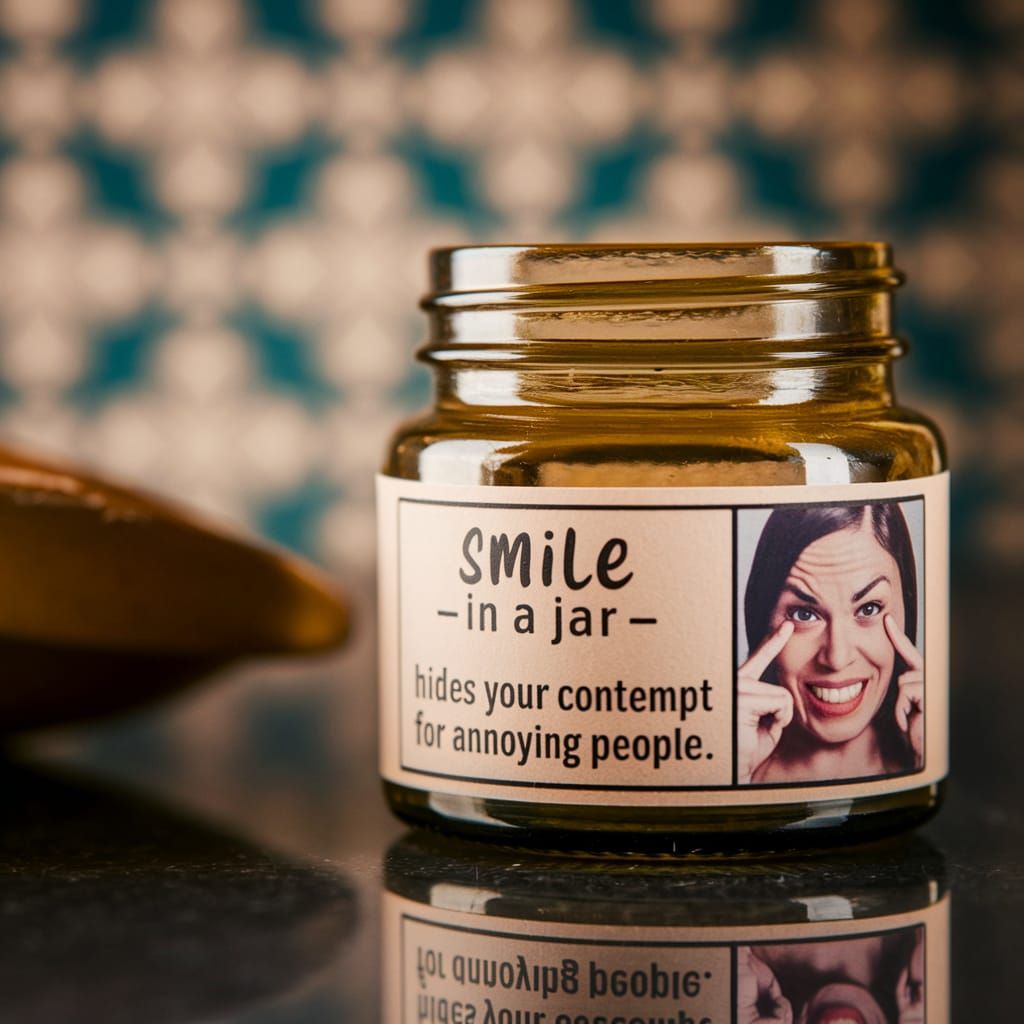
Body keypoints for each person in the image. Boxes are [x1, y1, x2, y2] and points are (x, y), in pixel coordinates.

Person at [737, 502, 924, 785]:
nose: (837, 658)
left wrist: (927, 760)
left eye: (869, 608)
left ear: (907, 610)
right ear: (762, 620)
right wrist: (725, 770)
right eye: (804, 614)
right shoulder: (738, 767)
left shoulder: (920, 761)